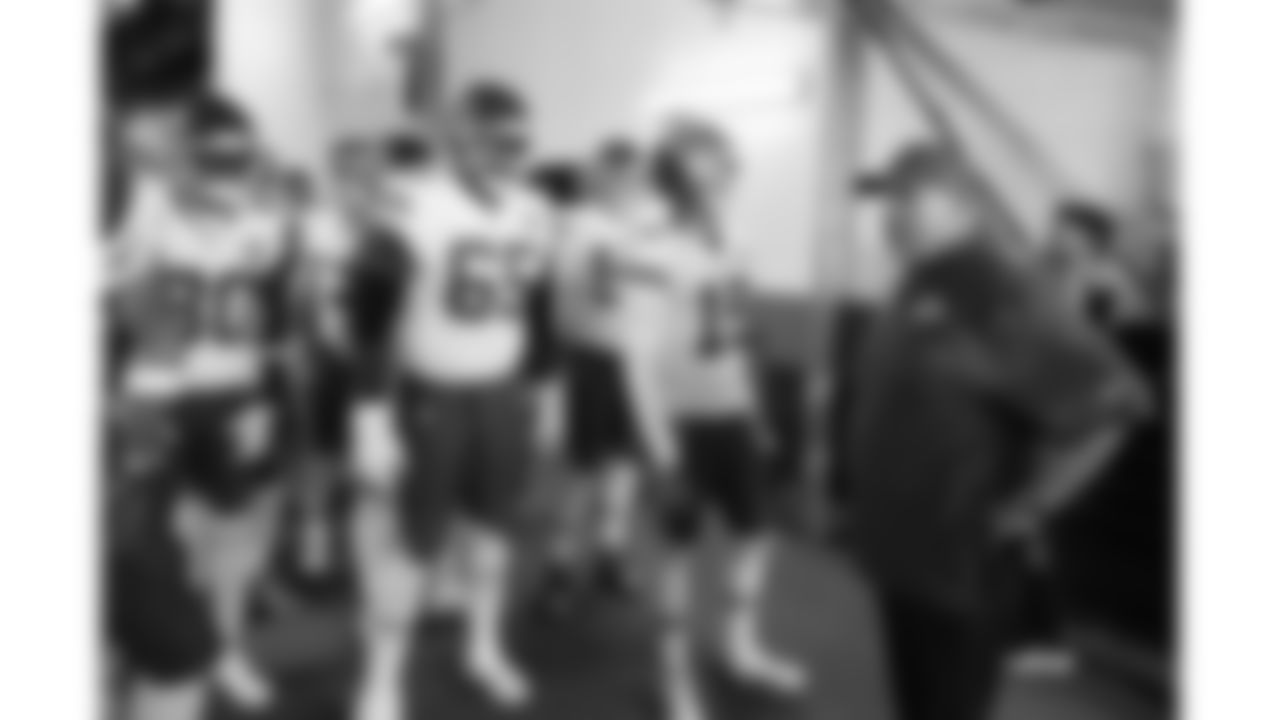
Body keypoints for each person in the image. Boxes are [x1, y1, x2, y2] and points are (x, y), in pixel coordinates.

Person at [843, 144, 1150, 720]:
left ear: (963, 206)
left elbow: (1114, 409)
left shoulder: (999, 289)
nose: (889, 214)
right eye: (886, 199)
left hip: (960, 568)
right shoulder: (921, 278)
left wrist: (1028, 508)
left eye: (907, 198)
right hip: (907, 558)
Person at [346, 80, 561, 720]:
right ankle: (382, 680)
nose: (510, 153)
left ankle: (483, 645)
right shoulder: (413, 202)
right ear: (456, 139)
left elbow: (540, 306)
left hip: (501, 391)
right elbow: (368, 314)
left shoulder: (533, 208)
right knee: (412, 546)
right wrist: (370, 415)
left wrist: (551, 390)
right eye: (494, 138)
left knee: (494, 535)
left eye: (518, 139)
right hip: (429, 392)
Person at [107, 94, 298, 719]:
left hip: (233, 390)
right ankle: (147, 650)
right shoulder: (140, 209)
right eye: (210, 154)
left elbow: (272, 302)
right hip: (154, 398)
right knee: (145, 537)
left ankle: (224, 645)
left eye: (237, 154)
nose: (227, 169)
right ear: (179, 155)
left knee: (234, 532)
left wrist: (270, 381)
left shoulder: (266, 215)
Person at [619, 118, 809, 720]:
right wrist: (661, 452)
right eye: (711, 164)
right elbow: (637, 359)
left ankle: (739, 644)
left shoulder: (737, 235)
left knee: (757, 533)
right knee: (676, 549)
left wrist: (759, 411)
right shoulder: (647, 247)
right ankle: (673, 677)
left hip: (733, 411)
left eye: (725, 163)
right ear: (678, 175)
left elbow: (741, 329)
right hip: (680, 420)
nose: (725, 174)